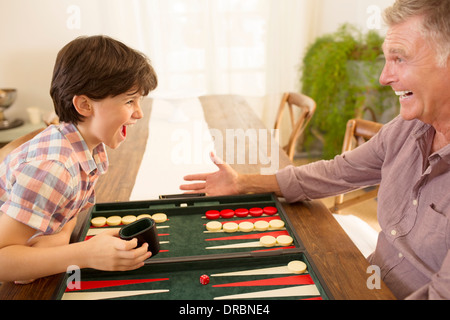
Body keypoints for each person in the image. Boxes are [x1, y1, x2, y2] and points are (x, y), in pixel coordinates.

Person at [180, 0, 450, 300]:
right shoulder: (405, 129)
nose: (383, 77)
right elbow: (338, 172)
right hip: (368, 281)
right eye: (386, 60)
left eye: (399, 59)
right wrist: (243, 183)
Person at [0, 35, 158, 283]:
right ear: (84, 105)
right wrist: (83, 254)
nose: (139, 113)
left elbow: (68, 210)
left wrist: (57, 242)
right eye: (129, 101)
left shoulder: (86, 147)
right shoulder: (55, 169)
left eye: (139, 101)